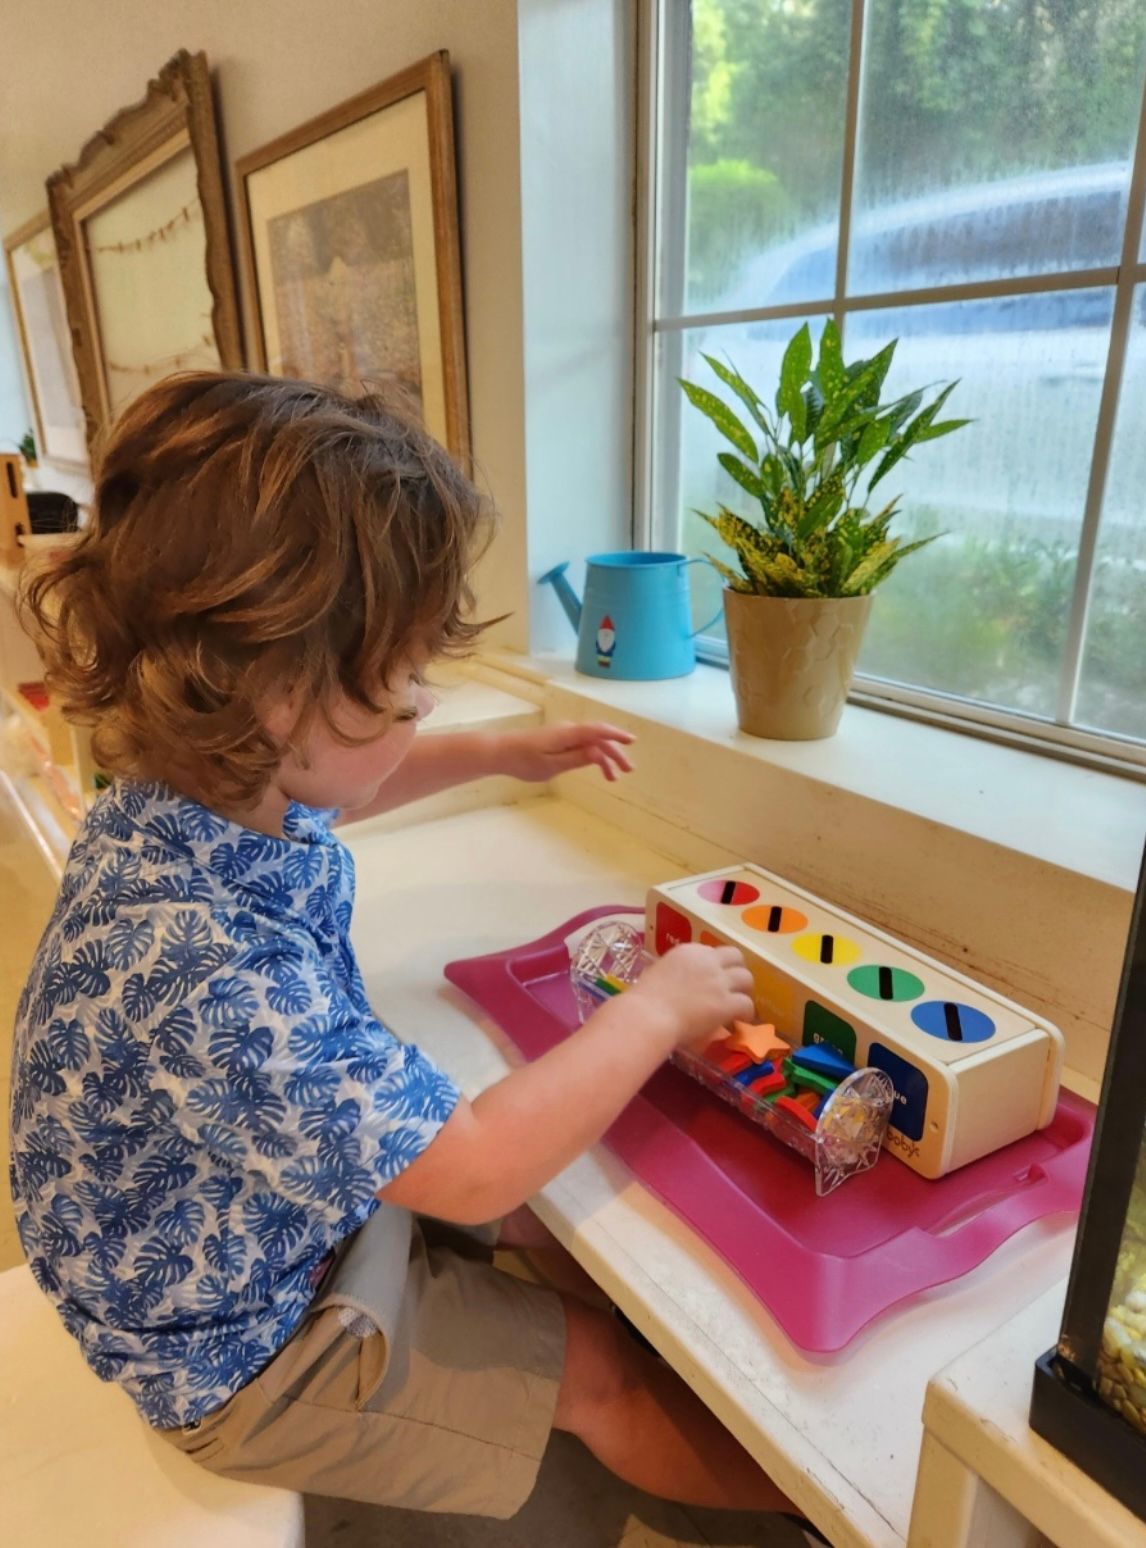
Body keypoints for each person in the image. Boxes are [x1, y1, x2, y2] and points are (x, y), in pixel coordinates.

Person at [10, 371, 805, 1528]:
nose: (425, 705)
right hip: (228, 1356)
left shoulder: (179, 797)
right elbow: (474, 1162)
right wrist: (657, 1008)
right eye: (404, 684)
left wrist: (501, 756)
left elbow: (330, 794)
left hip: (226, 1230)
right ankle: (823, 1523)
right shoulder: (208, 968)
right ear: (281, 697)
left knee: (555, 1222)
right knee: (600, 1373)